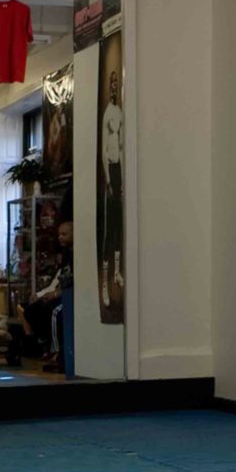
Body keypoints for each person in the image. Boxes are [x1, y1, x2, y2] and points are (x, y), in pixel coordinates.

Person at [17, 221, 73, 356]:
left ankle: (56, 351)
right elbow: (58, 280)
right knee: (31, 309)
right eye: (59, 234)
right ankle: (39, 343)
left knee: (53, 311)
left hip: (70, 295)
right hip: (59, 292)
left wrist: (57, 293)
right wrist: (43, 294)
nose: (60, 237)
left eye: (64, 234)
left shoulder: (77, 255)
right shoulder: (66, 255)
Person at [100, 69, 124, 306]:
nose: (115, 87)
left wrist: (122, 178)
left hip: (119, 171)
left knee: (119, 225)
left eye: (117, 83)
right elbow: (104, 151)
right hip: (109, 172)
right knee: (109, 229)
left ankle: (117, 272)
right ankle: (105, 282)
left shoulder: (120, 112)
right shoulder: (108, 113)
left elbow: (122, 147)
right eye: (112, 84)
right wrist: (107, 180)